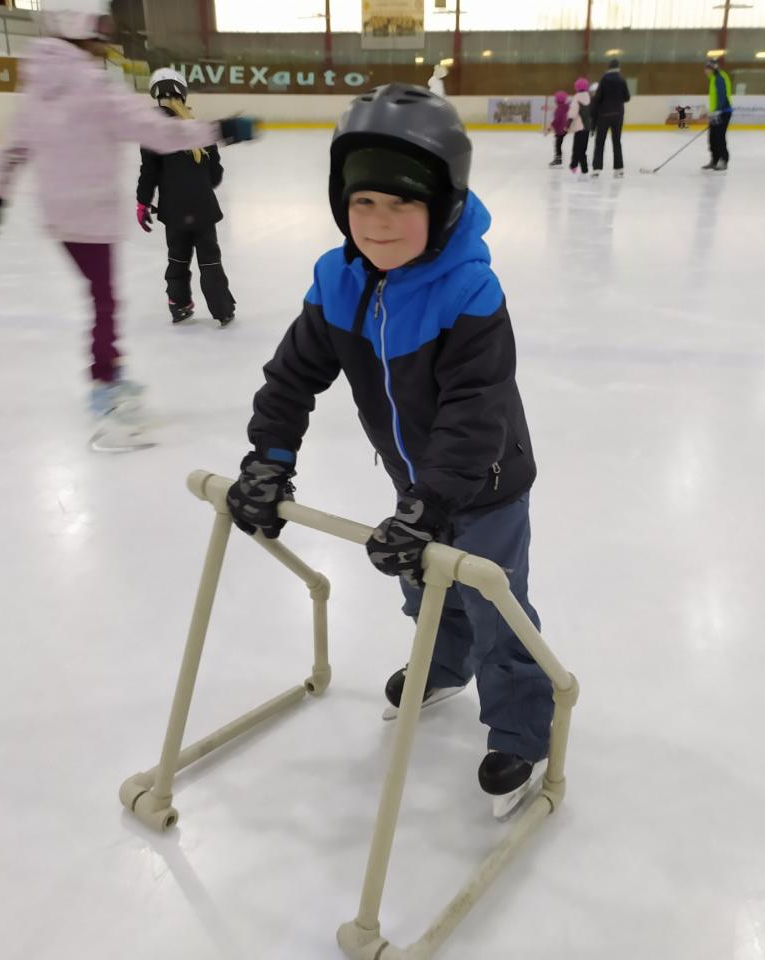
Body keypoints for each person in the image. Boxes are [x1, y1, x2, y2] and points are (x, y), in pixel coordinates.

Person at [223, 84, 553, 820]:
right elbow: (292, 376)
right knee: (422, 585)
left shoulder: (468, 290)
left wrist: (432, 503)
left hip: (487, 480)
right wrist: (269, 458)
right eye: (363, 201)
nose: (378, 222)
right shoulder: (337, 281)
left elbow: (475, 410)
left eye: (403, 203)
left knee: (495, 604)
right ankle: (444, 664)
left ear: (446, 205)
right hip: (415, 477)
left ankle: (524, 730)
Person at [0, 4, 254, 449]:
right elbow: (159, 132)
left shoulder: (36, 85)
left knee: (102, 299)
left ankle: (111, 376)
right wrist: (220, 129)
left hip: (60, 215)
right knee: (104, 303)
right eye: (100, 30)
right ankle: (106, 398)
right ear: (79, 28)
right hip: (92, 213)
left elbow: (14, 146)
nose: (106, 41)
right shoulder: (93, 85)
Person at [137, 68, 236, 326]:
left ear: (156, 96)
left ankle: (179, 305)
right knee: (210, 261)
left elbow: (149, 173)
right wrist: (197, 186)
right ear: (183, 93)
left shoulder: (152, 132)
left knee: (177, 259)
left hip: (174, 211)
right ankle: (223, 309)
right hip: (203, 209)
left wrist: (142, 202)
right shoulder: (201, 130)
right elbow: (215, 175)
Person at [590, 58, 630, 178]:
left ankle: (597, 169)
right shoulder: (622, 79)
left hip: (604, 115)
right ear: (618, 68)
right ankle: (619, 169)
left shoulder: (604, 79)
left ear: (609, 67)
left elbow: (598, 97)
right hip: (618, 115)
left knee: (600, 142)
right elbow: (627, 97)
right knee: (617, 141)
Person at [703, 59, 733, 171]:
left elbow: (722, 96)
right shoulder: (713, 78)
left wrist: (718, 111)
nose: (705, 71)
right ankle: (715, 160)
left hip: (723, 112)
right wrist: (712, 113)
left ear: (713, 68)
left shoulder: (719, 78)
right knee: (712, 138)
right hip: (716, 113)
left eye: (707, 68)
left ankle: (723, 161)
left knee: (719, 137)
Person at [566, 77, 591, 175]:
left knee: (576, 147)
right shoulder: (589, 96)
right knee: (583, 148)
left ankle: (574, 165)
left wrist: (568, 122)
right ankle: (584, 168)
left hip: (579, 126)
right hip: (587, 126)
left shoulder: (577, 97)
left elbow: (573, 111)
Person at [547, 90, 569, 167]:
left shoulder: (559, 109)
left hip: (560, 130)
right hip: (564, 129)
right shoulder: (566, 107)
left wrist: (550, 128)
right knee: (558, 144)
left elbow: (556, 120)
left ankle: (558, 160)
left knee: (557, 145)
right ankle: (558, 159)